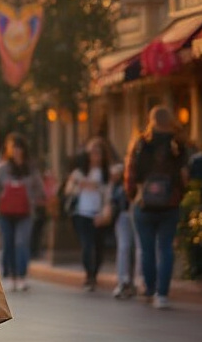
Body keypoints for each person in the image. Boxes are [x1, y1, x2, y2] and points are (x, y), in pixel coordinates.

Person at [124, 106, 189, 309]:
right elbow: (186, 175)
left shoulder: (140, 143)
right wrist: (180, 193)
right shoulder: (178, 144)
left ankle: (150, 288)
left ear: (150, 120)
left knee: (147, 249)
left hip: (144, 203)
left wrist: (133, 195)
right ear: (170, 120)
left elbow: (130, 173)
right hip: (170, 203)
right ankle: (162, 294)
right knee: (166, 248)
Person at [0, 133, 44, 293]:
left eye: (19, 148)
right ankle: (10, 276)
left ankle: (22, 276)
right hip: (5, 212)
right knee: (8, 243)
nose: (16, 151)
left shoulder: (31, 168)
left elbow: (39, 189)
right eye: (13, 148)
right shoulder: (1, 168)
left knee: (21, 242)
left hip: (25, 212)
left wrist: (32, 198)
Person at [64, 138, 115, 291]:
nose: (95, 156)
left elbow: (109, 194)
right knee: (87, 245)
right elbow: (68, 191)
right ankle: (89, 275)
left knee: (99, 246)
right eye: (92, 152)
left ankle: (95, 273)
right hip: (81, 213)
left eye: (98, 152)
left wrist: (98, 188)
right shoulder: (79, 173)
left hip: (99, 214)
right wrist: (79, 185)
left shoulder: (107, 174)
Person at [108, 163, 137, 299]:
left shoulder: (139, 174)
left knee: (139, 249)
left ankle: (138, 281)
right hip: (123, 215)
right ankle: (123, 281)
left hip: (138, 214)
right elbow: (112, 201)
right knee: (124, 247)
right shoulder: (118, 186)